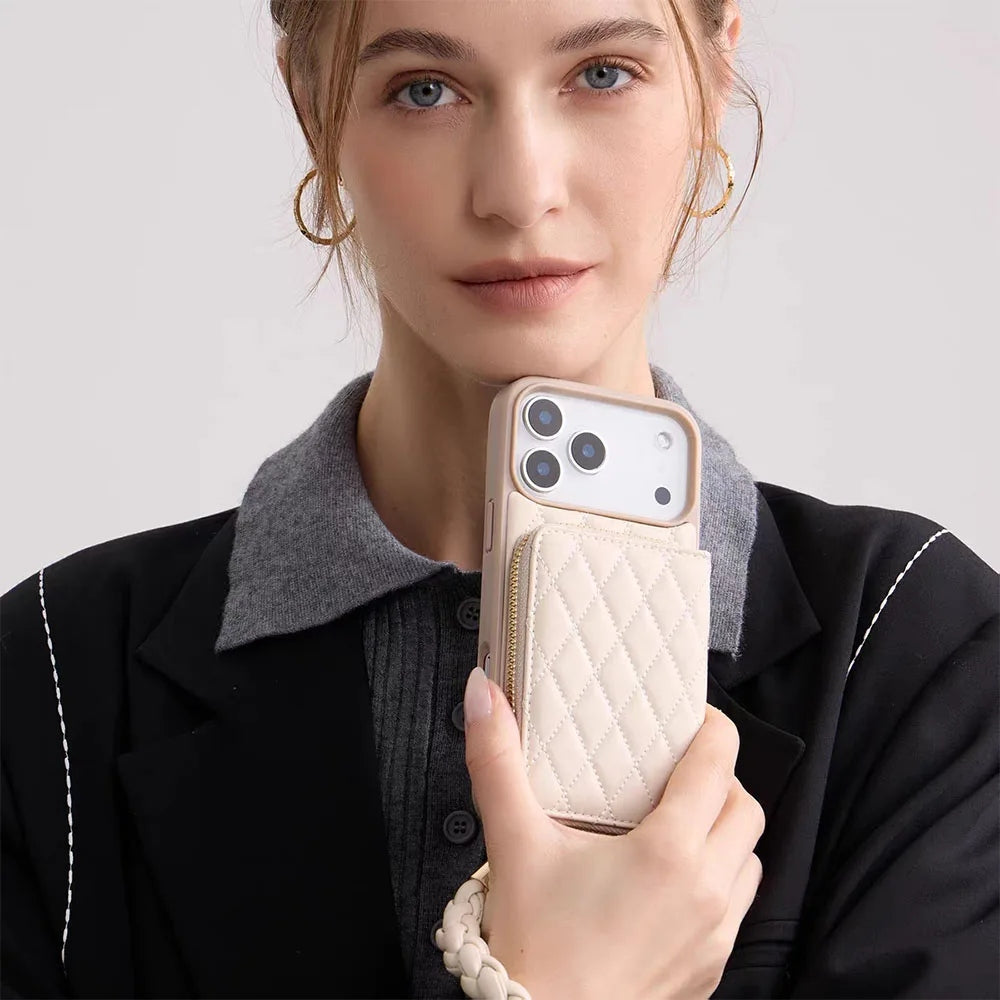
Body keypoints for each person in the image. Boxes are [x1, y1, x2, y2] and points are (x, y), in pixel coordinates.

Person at [2, 1, 997, 998]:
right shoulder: (50, 678)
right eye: (425, 90)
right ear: (314, 105)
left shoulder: (917, 654)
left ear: (711, 76)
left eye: (602, 74)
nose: (520, 193)